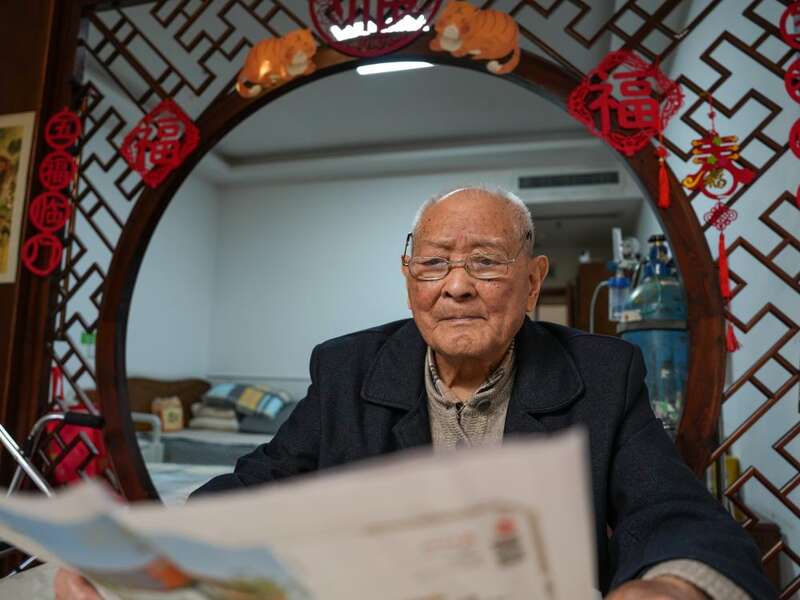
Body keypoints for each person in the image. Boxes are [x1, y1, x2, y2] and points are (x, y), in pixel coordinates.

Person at [56, 187, 774, 600]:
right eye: (433, 264)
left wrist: (670, 587)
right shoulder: (347, 368)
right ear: (409, 279)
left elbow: (671, 510)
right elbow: (256, 487)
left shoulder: (603, 374)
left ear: (532, 282)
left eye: (485, 263)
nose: (455, 286)